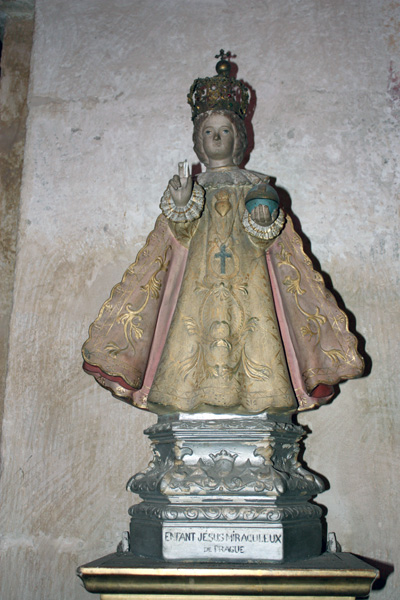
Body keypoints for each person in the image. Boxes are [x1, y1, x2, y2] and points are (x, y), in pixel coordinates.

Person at [82, 54, 363, 415]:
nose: (216, 137)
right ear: (199, 141)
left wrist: (262, 221)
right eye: (209, 131)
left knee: (255, 336)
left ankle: (260, 398)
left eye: (225, 130)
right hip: (197, 288)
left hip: (250, 287)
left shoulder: (256, 186)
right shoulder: (192, 186)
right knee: (191, 338)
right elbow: (178, 239)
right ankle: (186, 396)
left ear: (239, 138)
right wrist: (181, 205)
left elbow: (270, 243)